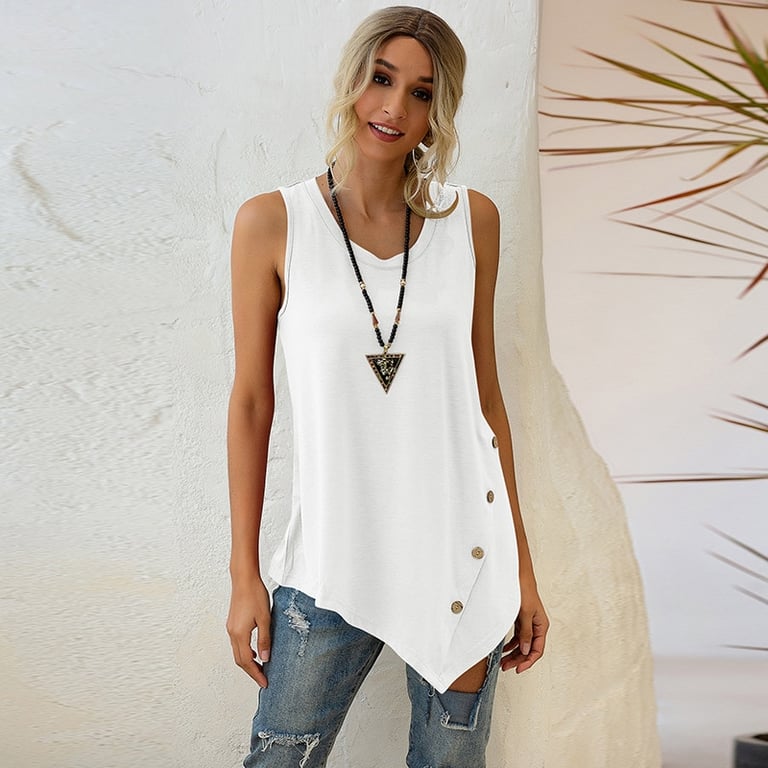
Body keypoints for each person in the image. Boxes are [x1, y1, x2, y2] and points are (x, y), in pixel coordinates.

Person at [225, 7, 548, 767]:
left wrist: (522, 572)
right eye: (381, 78)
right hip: (328, 567)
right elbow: (251, 403)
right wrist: (244, 576)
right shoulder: (273, 223)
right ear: (352, 81)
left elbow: (485, 402)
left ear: (440, 111)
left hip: (459, 562)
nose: (395, 106)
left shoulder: (472, 222)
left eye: (422, 92)